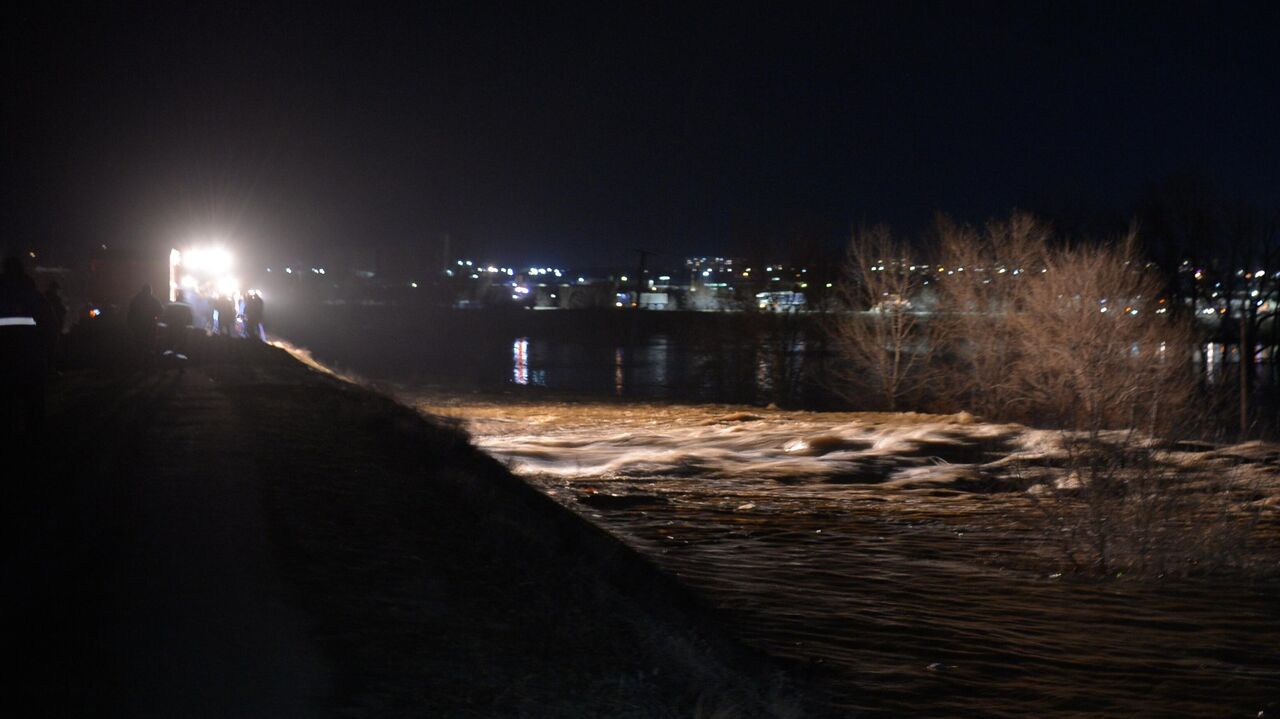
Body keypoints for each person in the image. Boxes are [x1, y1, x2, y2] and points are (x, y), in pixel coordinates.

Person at [1, 256, 54, 437]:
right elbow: (50, 326)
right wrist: (48, 354)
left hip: (4, 362)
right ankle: (34, 445)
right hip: (30, 360)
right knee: (34, 405)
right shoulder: (34, 297)